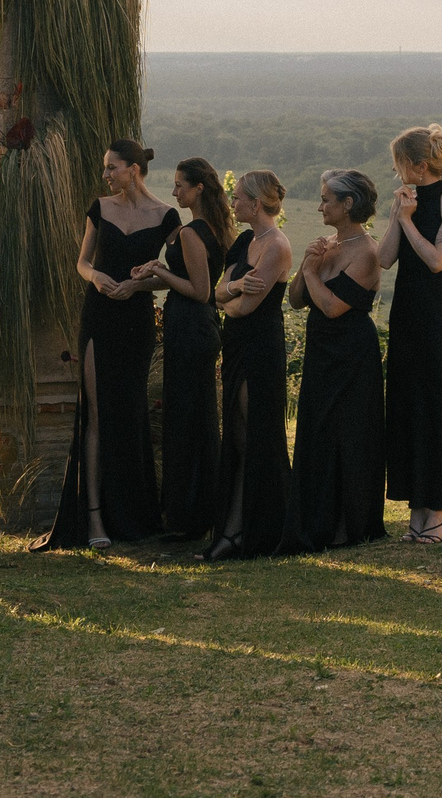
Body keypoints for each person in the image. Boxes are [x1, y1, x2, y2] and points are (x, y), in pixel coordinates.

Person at [40, 139, 172, 550]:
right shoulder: (99, 208)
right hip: (98, 317)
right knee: (96, 413)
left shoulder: (168, 218)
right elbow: (83, 261)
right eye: (106, 169)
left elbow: (173, 275)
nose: (106, 175)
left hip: (136, 321)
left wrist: (141, 283)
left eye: (111, 168)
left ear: (133, 169)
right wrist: (95, 277)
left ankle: (131, 514)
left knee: (129, 412)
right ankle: (94, 516)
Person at [379, 124, 442, 544]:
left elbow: (439, 260)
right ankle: (416, 508)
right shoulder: (406, 201)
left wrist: (409, 222)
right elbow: (383, 259)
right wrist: (396, 219)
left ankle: (437, 511)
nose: (396, 172)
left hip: (439, 319)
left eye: (399, 164)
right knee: (408, 406)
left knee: (438, 407)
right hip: (407, 315)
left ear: (420, 166)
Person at [199, 168, 297, 560]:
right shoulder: (244, 241)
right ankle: (236, 528)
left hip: (260, 348)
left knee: (254, 435)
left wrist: (231, 297)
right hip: (236, 346)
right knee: (237, 436)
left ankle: (254, 530)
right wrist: (236, 287)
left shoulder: (277, 246)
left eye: (238, 197)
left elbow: (242, 308)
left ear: (256, 203)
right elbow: (219, 292)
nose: (232, 202)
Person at [130, 156, 227, 542]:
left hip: (190, 327)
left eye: (179, 185)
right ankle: (195, 510)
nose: (174, 192)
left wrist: (159, 271)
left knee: (187, 419)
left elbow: (200, 292)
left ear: (198, 188)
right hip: (195, 329)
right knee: (196, 416)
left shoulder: (191, 233)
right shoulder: (216, 228)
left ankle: (188, 514)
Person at [290, 169, 387, 550]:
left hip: (351, 353)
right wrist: (305, 264)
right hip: (321, 351)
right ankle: (316, 516)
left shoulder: (367, 252)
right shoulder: (327, 244)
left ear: (348, 205)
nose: (319, 207)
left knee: (349, 434)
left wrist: (313, 272)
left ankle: (351, 523)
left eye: (326, 199)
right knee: (317, 430)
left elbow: (332, 307)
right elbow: (297, 300)